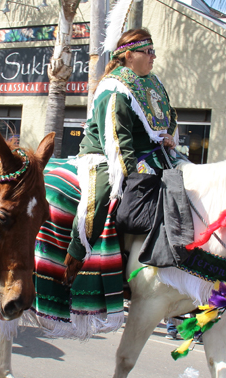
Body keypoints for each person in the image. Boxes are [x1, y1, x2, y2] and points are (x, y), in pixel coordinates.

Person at [62, 28, 179, 282]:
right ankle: (75, 260)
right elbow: (117, 142)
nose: (153, 57)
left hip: (152, 152)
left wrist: (167, 136)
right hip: (104, 154)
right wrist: (132, 175)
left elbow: (170, 116)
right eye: (147, 52)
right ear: (128, 55)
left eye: (153, 51)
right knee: (100, 199)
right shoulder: (115, 88)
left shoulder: (153, 82)